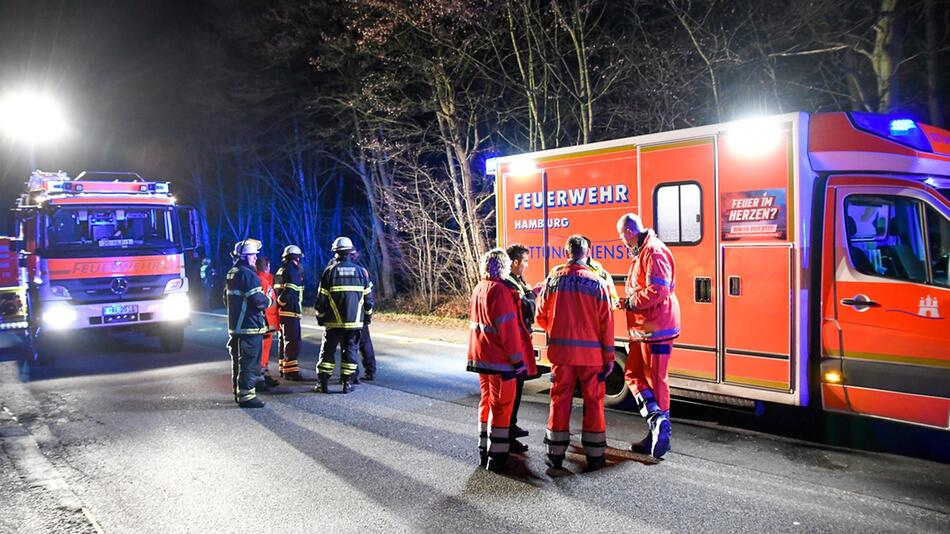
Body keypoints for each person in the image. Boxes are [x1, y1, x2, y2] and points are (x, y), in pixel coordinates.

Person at [536, 235, 615, 472]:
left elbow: (541, 315)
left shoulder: (553, 280)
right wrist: (609, 357)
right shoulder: (597, 282)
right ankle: (595, 455)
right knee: (594, 403)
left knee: (559, 401)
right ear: (587, 252)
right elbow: (607, 324)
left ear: (567, 252)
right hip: (591, 357)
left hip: (561, 355)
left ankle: (555, 454)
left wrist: (558, 328)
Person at [616, 213, 680, 459]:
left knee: (656, 380)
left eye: (622, 236)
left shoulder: (652, 251)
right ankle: (657, 423)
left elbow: (659, 289)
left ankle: (661, 428)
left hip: (656, 329)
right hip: (645, 329)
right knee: (632, 375)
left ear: (629, 232)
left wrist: (631, 302)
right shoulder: (644, 251)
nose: (622, 241)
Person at [466, 248, 527, 473]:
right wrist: (518, 362)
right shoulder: (500, 291)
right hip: (500, 361)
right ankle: (497, 457)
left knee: (486, 403)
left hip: (481, 358)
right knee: (502, 407)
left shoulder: (479, 288)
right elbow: (508, 332)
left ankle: (484, 448)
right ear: (503, 267)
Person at [314, 237, 374, 394]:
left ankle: (323, 384)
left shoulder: (329, 272)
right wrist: (366, 318)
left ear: (335, 253)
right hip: (354, 323)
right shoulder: (361, 272)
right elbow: (369, 301)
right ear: (350, 252)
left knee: (327, 351)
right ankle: (347, 384)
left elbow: (321, 300)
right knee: (350, 351)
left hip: (333, 323)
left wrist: (321, 317)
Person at [225, 239, 272, 409]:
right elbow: (257, 300)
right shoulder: (248, 274)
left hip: (237, 326)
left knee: (239, 361)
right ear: (245, 256)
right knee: (249, 362)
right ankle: (247, 396)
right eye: (253, 255)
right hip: (249, 326)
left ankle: (239, 392)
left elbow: (226, 299)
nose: (255, 258)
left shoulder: (232, 272)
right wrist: (269, 300)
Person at [502, 243, 538, 454]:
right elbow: (526, 308)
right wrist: (533, 294)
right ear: (514, 263)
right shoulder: (509, 283)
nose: (526, 265)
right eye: (524, 261)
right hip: (515, 345)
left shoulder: (517, 281)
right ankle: (507, 434)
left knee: (517, 389)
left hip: (520, 342)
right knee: (513, 392)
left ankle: (511, 428)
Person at [274, 245, 306, 381]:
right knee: (292, 341)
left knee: (283, 340)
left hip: (282, 312)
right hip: (290, 311)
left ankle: (283, 367)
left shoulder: (281, 269)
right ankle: (291, 371)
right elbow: (290, 291)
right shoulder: (292, 270)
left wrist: (278, 306)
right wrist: (282, 303)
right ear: (296, 257)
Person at [349, 248, 377, 383]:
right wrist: (367, 315)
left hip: (345, 316)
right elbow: (369, 297)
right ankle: (370, 371)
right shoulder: (362, 271)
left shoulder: (335, 269)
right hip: (360, 315)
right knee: (364, 344)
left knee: (349, 345)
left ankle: (352, 374)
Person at [255, 256, 280, 389]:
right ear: (267, 266)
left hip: (265, 320)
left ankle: (264, 374)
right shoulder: (266, 279)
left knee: (263, 350)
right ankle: (260, 377)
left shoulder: (256, 278)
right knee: (263, 350)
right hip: (266, 320)